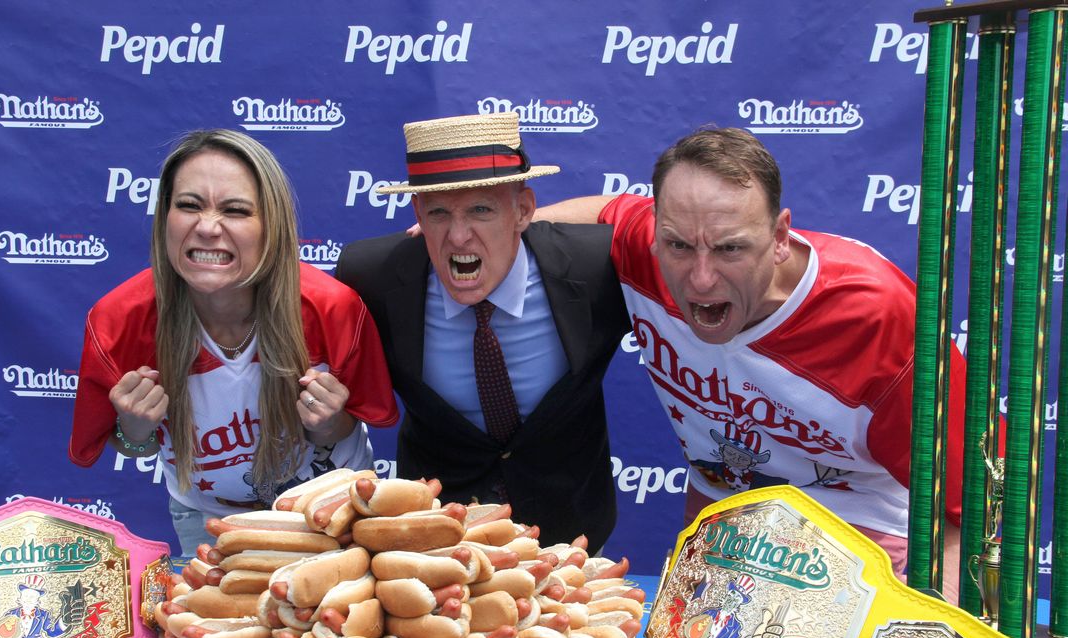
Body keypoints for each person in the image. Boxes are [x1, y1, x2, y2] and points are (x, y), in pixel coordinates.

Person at [538, 127, 966, 589]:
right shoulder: (653, 243)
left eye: (730, 248)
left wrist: (932, 620)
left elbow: (970, 507)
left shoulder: (879, 317)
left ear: (779, 236)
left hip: (852, 521)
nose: (701, 279)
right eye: (679, 246)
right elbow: (604, 213)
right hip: (724, 505)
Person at [69, 129, 398, 555]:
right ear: (165, 216)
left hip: (330, 512)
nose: (207, 227)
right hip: (209, 523)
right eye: (189, 205)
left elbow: (354, 423)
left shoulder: (331, 307)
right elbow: (132, 445)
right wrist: (135, 427)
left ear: (271, 225)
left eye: (235, 210)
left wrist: (328, 422)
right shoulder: (119, 320)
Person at [336, 113, 629, 550]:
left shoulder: (596, 267)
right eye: (438, 212)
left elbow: (670, 222)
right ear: (417, 215)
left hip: (574, 538)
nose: (458, 237)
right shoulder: (370, 276)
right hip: (435, 542)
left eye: (481, 209)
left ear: (523, 209)